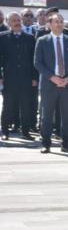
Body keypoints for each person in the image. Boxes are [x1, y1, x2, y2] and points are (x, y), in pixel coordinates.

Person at [33, 13, 68, 153]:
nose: (59, 24)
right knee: (46, 116)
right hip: (49, 85)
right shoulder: (42, 41)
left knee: (67, 117)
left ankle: (66, 144)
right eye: (56, 21)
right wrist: (52, 77)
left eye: (61, 21)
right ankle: (46, 144)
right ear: (50, 24)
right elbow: (37, 62)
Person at [0, 12, 37, 140]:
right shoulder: (2, 37)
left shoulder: (30, 38)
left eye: (18, 20)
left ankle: (25, 131)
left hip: (26, 78)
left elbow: (34, 59)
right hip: (9, 78)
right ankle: (5, 131)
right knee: (8, 105)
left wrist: (34, 78)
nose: (17, 22)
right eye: (14, 20)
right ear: (9, 22)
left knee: (26, 105)